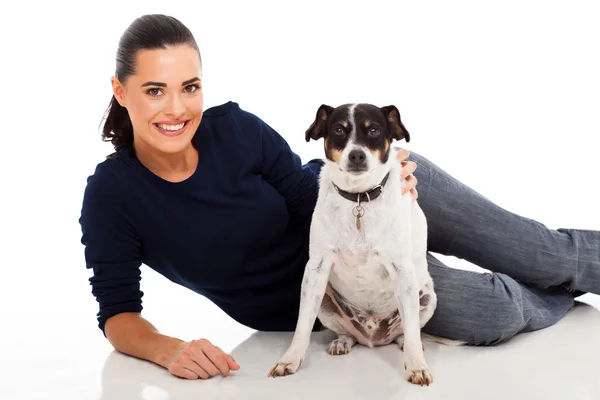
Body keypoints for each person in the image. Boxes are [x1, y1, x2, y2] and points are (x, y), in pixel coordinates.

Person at [79, 13, 600, 381]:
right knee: (496, 315)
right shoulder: (112, 197)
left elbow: (311, 195)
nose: (177, 107)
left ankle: (571, 269)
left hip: (377, 190)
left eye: (189, 87)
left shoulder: (235, 129)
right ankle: (566, 303)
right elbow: (117, 311)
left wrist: (383, 197)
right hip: (341, 303)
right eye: (154, 90)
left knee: (540, 253)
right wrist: (170, 350)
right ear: (121, 91)